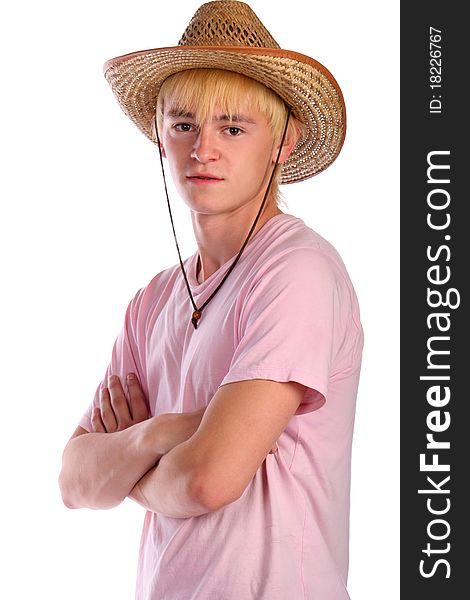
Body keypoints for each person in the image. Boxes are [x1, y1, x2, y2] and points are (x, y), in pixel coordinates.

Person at [59, 1, 364, 598]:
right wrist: (157, 434)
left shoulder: (296, 270)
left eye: (232, 126)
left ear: (282, 141)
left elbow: (208, 480)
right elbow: (74, 482)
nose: (204, 149)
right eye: (183, 124)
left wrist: (128, 471)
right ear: (160, 136)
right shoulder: (152, 301)